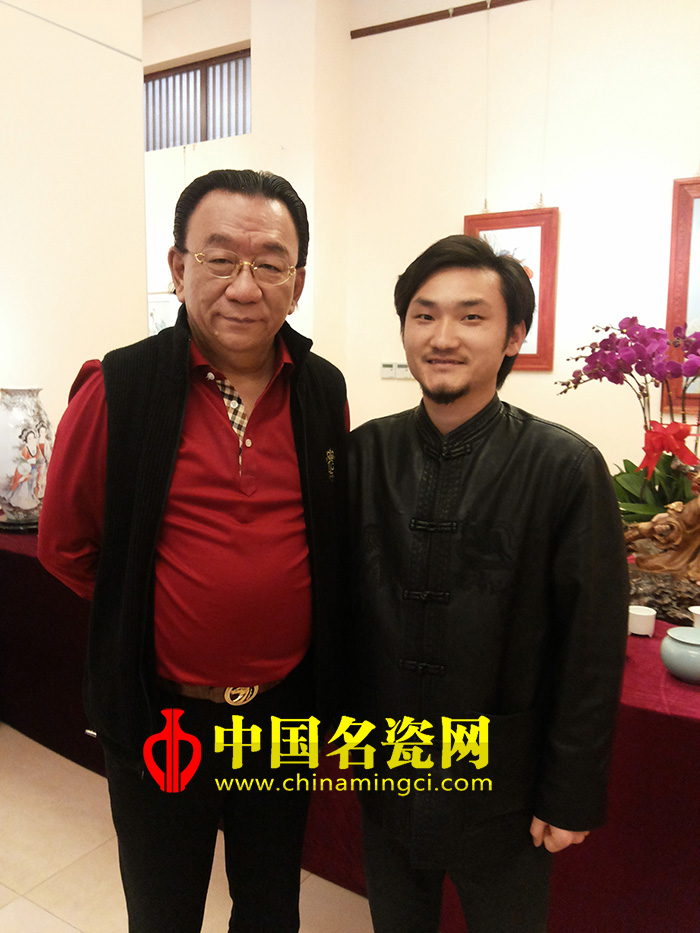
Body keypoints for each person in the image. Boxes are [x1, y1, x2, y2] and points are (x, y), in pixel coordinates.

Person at [38, 169, 347, 933]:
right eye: (219, 258)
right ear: (178, 268)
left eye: (269, 263)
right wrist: (158, 614)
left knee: (271, 907)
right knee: (164, 911)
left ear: (298, 283)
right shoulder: (119, 386)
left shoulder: (322, 389)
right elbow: (67, 545)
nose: (244, 285)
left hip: (281, 719)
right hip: (163, 717)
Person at [347, 234, 628, 933]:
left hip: (505, 789)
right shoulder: (363, 454)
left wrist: (569, 795)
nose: (443, 337)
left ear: (514, 336)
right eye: (424, 314)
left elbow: (591, 649)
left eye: (471, 316)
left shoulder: (564, 466)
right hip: (387, 772)